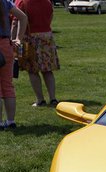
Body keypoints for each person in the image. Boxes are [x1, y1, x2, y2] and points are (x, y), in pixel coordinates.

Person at [15, 0, 59, 107]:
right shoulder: (47, 1)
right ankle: (53, 98)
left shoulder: (21, 2)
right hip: (47, 37)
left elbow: (16, 22)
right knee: (47, 70)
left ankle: (40, 99)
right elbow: (51, 16)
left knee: (32, 70)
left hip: (30, 38)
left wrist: (16, 39)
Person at [0, 1, 26, 129]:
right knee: (7, 85)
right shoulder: (5, 2)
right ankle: (11, 121)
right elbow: (23, 17)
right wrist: (18, 38)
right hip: (6, 45)